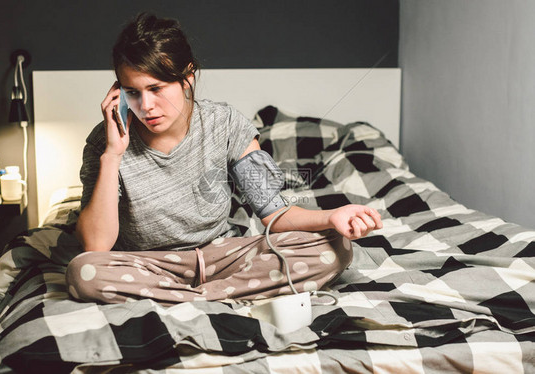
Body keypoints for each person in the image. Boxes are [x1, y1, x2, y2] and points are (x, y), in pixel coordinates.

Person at [65, 13, 383, 306]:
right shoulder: (104, 142)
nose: (146, 105)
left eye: (156, 88)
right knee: (84, 272)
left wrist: (332, 217)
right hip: (147, 266)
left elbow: (274, 212)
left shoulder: (226, 125)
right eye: (132, 92)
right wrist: (113, 154)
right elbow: (96, 246)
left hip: (223, 258)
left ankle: (189, 299)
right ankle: (220, 299)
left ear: (187, 78)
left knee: (335, 248)